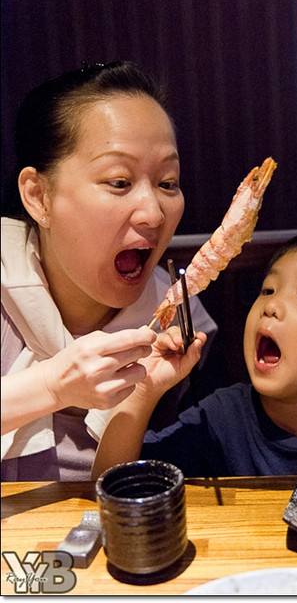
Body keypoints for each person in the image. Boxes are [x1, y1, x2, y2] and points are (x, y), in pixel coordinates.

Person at [1, 61, 217, 481]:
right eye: (119, 182)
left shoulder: (180, 324)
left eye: (167, 183)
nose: (153, 214)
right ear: (38, 196)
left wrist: (141, 394)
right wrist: (52, 385)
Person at [92, 230, 297, 479]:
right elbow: (114, 485)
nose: (270, 306)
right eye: (268, 290)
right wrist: (144, 390)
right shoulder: (222, 419)